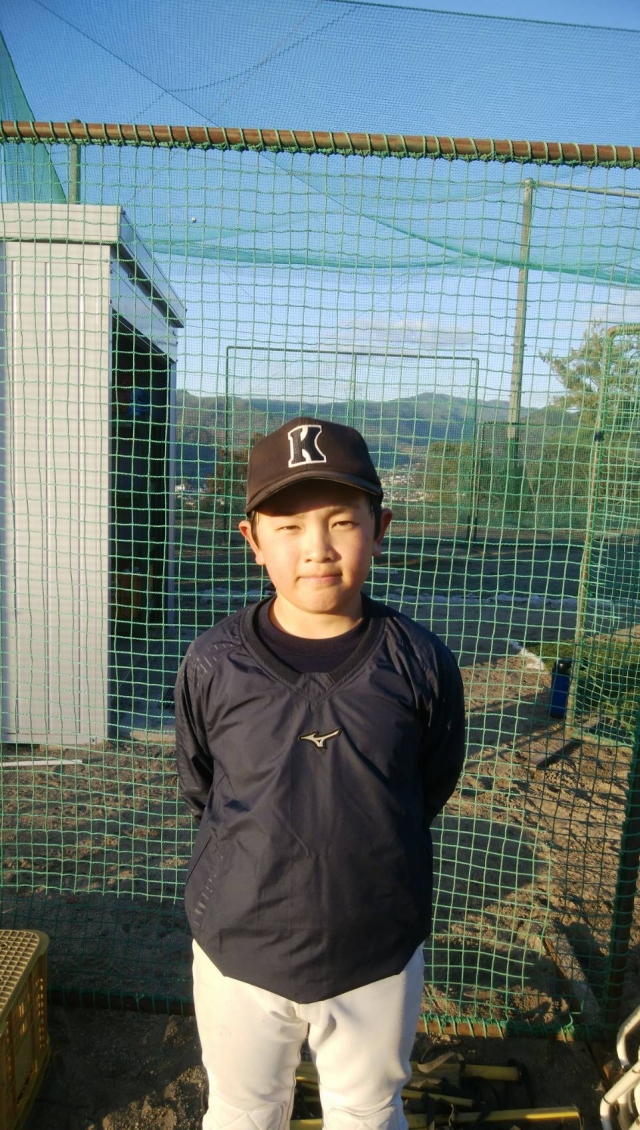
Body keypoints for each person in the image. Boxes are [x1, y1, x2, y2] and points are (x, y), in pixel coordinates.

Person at [174, 416, 465, 1130]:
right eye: (289, 527)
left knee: (366, 1111)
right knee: (243, 1111)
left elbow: (428, 783)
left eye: (341, 522)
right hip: (240, 947)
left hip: (374, 947)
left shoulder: (420, 662)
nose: (318, 548)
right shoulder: (212, 663)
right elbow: (203, 787)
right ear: (252, 540)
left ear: (380, 527)